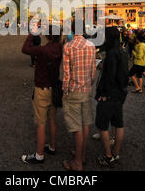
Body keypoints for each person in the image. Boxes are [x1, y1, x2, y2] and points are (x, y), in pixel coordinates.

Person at [20, 26, 63, 165]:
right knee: (52, 119)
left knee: (41, 122)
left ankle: (39, 155)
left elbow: (25, 49)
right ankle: (52, 146)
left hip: (42, 88)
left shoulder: (42, 50)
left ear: (47, 36)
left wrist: (32, 33)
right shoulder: (60, 48)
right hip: (54, 88)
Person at [62, 22, 96, 171]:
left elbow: (66, 74)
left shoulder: (68, 46)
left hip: (74, 90)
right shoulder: (91, 46)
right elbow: (93, 71)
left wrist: (65, 91)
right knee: (85, 122)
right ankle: (81, 156)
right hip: (87, 89)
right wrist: (90, 83)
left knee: (77, 127)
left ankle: (77, 163)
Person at [95, 27, 128, 167]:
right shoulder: (123, 51)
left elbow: (109, 76)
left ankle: (108, 156)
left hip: (110, 94)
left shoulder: (112, 53)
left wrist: (103, 94)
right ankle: (116, 154)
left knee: (102, 125)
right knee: (118, 124)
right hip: (120, 92)